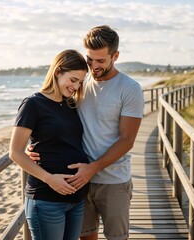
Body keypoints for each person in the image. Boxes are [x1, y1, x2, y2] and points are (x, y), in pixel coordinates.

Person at [28, 25, 144, 240]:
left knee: (117, 237)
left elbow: (127, 140)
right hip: (77, 180)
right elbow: (54, 119)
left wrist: (92, 169)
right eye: (90, 59)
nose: (94, 66)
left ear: (115, 56)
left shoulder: (130, 88)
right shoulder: (78, 83)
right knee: (85, 237)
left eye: (101, 61)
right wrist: (34, 145)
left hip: (113, 180)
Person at [9, 49, 90, 240]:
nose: (76, 86)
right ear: (57, 72)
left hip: (76, 199)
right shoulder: (33, 104)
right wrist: (49, 179)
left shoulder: (70, 105)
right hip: (47, 199)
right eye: (72, 80)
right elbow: (15, 152)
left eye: (80, 82)